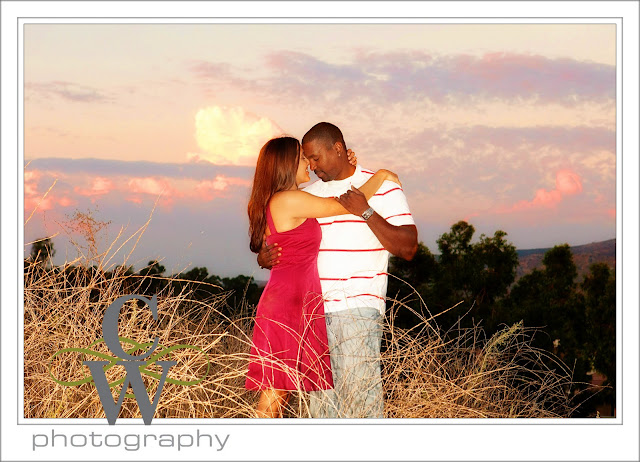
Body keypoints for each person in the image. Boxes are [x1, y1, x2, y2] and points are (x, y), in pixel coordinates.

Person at [258, 122, 418, 418]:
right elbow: (288, 233)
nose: (311, 165)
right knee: (321, 409)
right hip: (310, 313)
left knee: (361, 402)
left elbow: (408, 247)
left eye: (315, 157)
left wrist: (369, 201)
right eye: (305, 159)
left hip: (355, 307)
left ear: (339, 149)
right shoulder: (306, 192)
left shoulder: (381, 187)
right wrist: (265, 256)